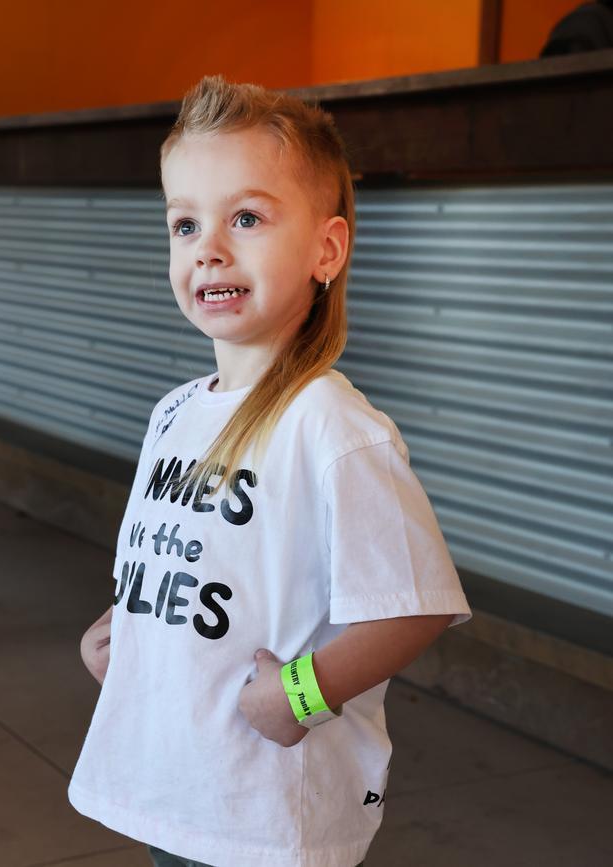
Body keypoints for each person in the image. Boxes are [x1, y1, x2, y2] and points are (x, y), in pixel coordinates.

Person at [67, 73, 472, 867]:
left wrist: (301, 694)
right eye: (185, 224)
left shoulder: (332, 426)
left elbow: (412, 606)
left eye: (245, 217)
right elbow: (192, 560)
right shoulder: (176, 412)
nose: (208, 247)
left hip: (266, 811)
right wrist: (125, 634)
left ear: (326, 248)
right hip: (180, 787)